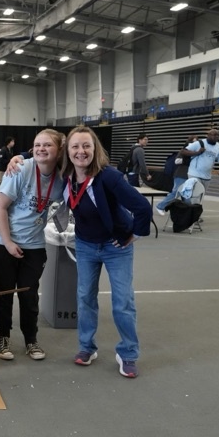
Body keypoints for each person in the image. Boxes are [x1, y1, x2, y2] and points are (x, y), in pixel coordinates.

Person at [62, 126, 152, 378]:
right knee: (85, 298)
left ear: (95, 149)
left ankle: (128, 354)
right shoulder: (66, 176)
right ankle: (86, 348)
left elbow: (143, 207)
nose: (81, 152)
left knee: (123, 302)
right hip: (85, 245)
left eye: (86, 146)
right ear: (68, 152)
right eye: (75, 147)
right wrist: (16, 159)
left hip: (116, 248)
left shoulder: (108, 176)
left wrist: (133, 236)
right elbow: (39, 156)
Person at [0, 129, 66, 361]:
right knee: (4, 294)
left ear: (59, 149)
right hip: (2, 241)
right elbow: (0, 207)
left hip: (34, 244)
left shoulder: (62, 177)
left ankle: (31, 340)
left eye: (48, 145)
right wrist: (9, 242)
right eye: (38, 144)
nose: (42, 148)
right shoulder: (20, 168)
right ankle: (2, 338)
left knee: (29, 295)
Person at [155, 135, 198, 215]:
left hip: (190, 175)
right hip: (181, 174)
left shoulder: (196, 153)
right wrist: (185, 160)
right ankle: (160, 206)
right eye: (193, 141)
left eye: (196, 141)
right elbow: (177, 161)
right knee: (176, 192)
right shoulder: (184, 151)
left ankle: (188, 214)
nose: (194, 143)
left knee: (187, 195)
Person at [185, 128, 219, 193]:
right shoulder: (199, 143)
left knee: (201, 195)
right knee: (195, 194)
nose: (216, 137)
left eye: (218, 135)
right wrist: (197, 152)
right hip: (194, 174)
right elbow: (183, 151)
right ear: (208, 135)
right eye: (214, 135)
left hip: (207, 177)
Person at [0, 136, 15, 201]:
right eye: (12, 141)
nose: (13, 143)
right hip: (1, 170)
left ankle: (1, 196)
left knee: (4, 183)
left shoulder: (10, 150)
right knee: (0, 183)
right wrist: (9, 161)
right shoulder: (3, 150)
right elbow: (0, 160)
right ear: (8, 142)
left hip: (6, 169)